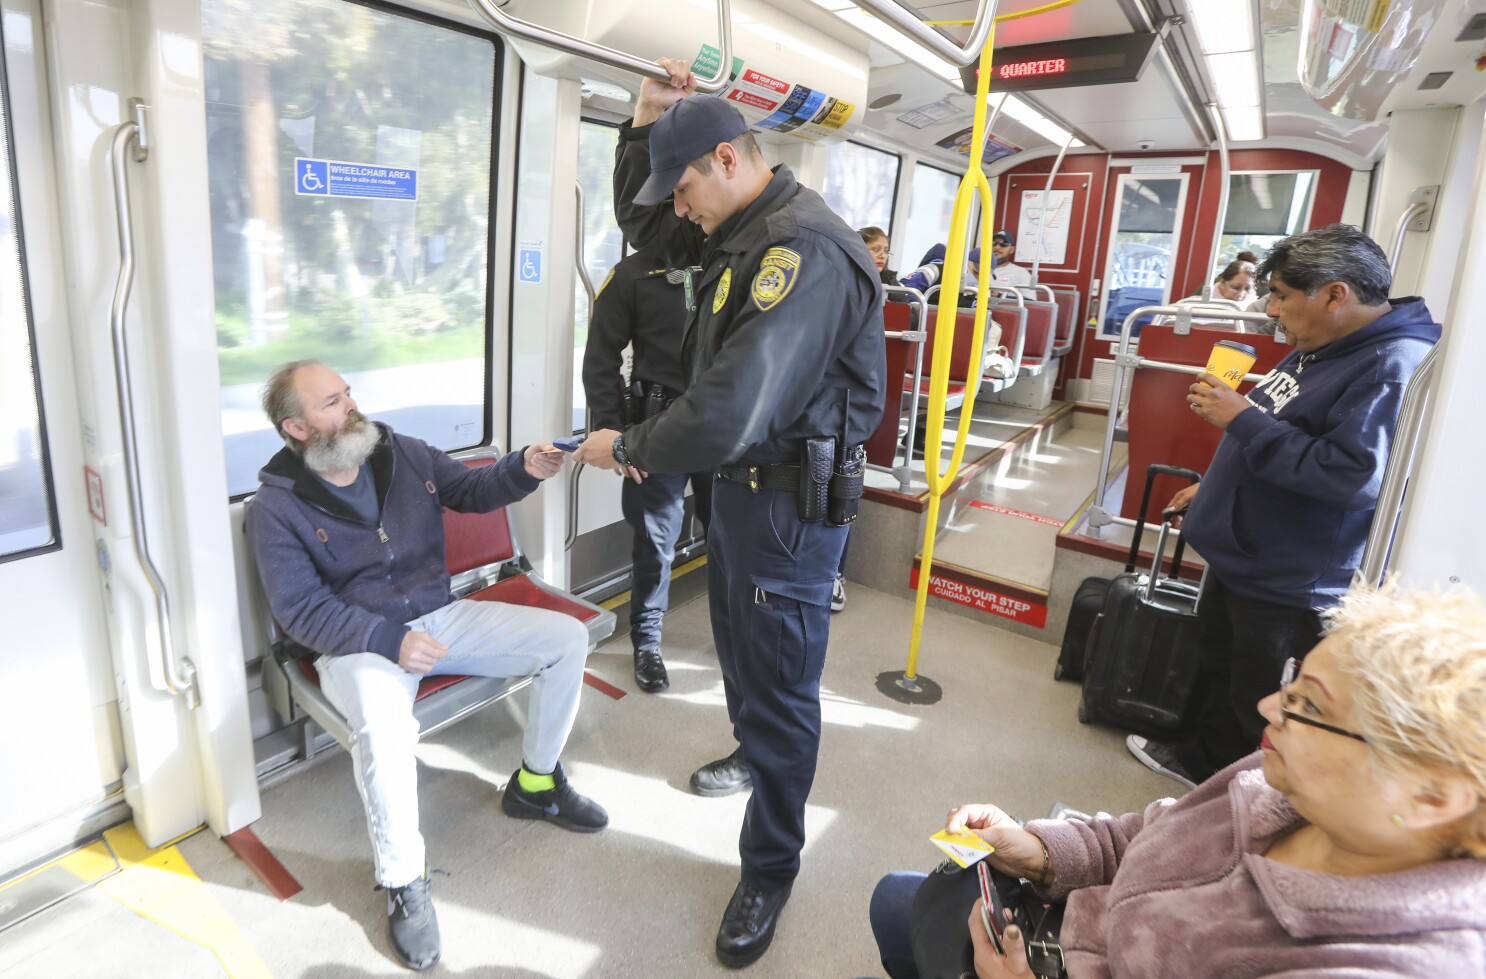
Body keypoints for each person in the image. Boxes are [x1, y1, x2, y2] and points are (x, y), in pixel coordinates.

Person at [573, 59, 885, 968]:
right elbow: (645, 228)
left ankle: (771, 865)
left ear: (726, 159)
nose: (678, 209)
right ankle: (753, 752)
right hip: (744, 499)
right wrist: (643, 123)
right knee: (746, 656)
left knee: (782, 685)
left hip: (788, 504)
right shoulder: (735, 228)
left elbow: (730, 410)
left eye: (685, 187)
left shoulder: (802, 252)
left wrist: (626, 444)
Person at [870, 581, 1486, 978]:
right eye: (1293, 685)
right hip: (1063, 930)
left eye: (1311, 709)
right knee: (899, 898)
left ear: (1434, 795)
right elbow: (1145, 836)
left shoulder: (1390, 962)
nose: (1271, 709)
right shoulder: (1275, 783)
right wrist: (1039, 854)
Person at [249, 361, 607, 972]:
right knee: (385, 733)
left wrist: (524, 467)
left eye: (348, 392)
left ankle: (537, 786)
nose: (351, 407)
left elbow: (471, 491)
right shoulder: (274, 509)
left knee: (566, 639)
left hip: (439, 617)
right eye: (332, 402)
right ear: (298, 428)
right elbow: (301, 612)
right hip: (356, 645)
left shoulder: (400, 453)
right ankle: (403, 881)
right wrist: (385, 639)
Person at [1127, 224, 1441, 788]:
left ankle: (1234, 793)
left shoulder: (1389, 365)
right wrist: (1217, 485)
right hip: (1247, 550)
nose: (1271, 309)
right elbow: (1282, 427)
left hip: (1288, 574)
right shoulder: (1321, 346)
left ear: (1334, 295)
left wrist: (1240, 418)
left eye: (1279, 295)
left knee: (1258, 696)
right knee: (1221, 668)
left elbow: (1350, 477)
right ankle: (1198, 759)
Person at [581, 246, 713, 692]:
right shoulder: (634, 274)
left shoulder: (733, 262)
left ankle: (736, 631)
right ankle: (648, 641)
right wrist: (615, 434)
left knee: (732, 536)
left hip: (721, 426)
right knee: (656, 543)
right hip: (656, 429)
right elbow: (600, 357)